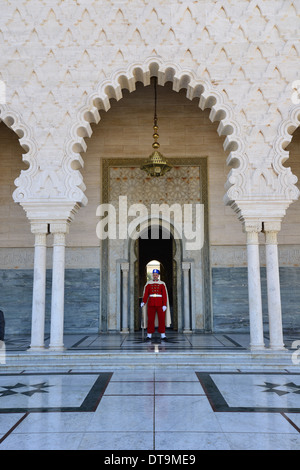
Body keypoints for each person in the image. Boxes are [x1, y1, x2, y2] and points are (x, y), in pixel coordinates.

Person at [140, 269, 171, 341]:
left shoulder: (162, 283)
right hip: (151, 303)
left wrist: (164, 305)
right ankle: (149, 335)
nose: (155, 276)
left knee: (162, 319)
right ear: (152, 275)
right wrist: (144, 302)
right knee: (150, 319)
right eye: (154, 275)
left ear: (158, 276)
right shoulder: (148, 283)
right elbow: (146, 294)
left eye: (156, 275)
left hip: (160, 304)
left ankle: (163, 335)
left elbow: (164, 295)